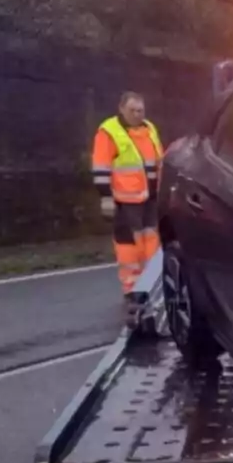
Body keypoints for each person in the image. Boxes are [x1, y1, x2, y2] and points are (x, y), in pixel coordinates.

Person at [91, 92, 164, 304]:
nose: (137, 114)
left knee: (152, 240)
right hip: (125, 200)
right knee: (129, 245)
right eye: (132, 110)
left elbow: (158, 159)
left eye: (140, 110)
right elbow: (101, 166)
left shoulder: (149, 128)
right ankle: (132, 288)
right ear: (121, 108)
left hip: (150, 197)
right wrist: (105, 197)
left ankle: (152, 282)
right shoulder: (109, 132)